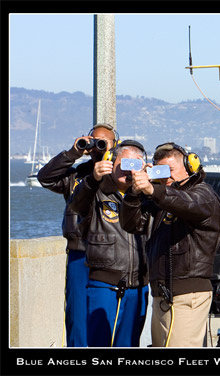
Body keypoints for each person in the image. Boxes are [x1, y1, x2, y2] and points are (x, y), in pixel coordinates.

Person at [120, 142, 220, 347]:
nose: (166, 177)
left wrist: (153, 189)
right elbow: (130, 223)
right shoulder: (161, 200)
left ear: (189, 166)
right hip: (162, 295)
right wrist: (135, 191)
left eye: (170, 170)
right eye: (160, 171)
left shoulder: (203, 195)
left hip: (187, 294)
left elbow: (186, 203)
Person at [36, 123, 118, 347]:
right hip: (80, 251)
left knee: (106, 318)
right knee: (77, 318)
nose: (97, 147)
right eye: (93, 142)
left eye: (104, 143)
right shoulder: (76, 176)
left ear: (115, 145)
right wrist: (73, 153)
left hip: (111, 255)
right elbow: (46, 178)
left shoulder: (120, 175)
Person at [68, 139, 151, 347]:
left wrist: (152, 185)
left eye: (135, 165)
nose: (128, 172)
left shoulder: (147, 196)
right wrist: (93, 179)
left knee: (129, 345)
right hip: (106, 283)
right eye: (124, 164)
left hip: (139, 285)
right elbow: (77, 206)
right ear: (111, 163)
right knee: (100, 343)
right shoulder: (97, 191)